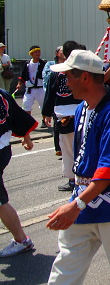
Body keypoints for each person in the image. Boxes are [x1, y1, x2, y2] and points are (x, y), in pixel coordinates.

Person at [46, 50, 110, 283]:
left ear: (84, 77)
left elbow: (109, 168)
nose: (65, 83)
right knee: (64, 270)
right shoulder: (83, 108)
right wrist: (78, 202)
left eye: (68, 77)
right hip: (83, 201)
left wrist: (76, 205)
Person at [43, 41, 86, 191]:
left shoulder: (59, 71)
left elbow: (50, 92)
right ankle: (83, 178)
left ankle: (74, 180)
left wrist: (46, 112)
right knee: (82, 146)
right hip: (80, 113)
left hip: (68, 114)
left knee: (69, 149)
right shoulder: (82, 70)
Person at [0, 87, 37, 257]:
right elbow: (18, 116)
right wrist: (26, 137)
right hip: (4, 148)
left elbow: (17, 116)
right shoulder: (2, 93)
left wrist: (27, 137)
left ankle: (22, 240)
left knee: (0, 201)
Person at [16, 45, 46, 115]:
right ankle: (28, 122)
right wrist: (19, 83)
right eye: (36, 52)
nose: (38, 54)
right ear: (31, 53)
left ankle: (44, 121)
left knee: (43, 106)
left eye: (39, 52)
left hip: (40, 88)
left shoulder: (43, 64)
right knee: (26, 105)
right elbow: (22, 75)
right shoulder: (27, 64)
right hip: (29, 89)